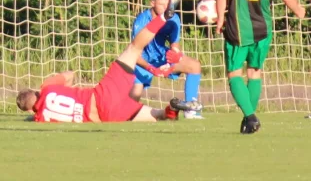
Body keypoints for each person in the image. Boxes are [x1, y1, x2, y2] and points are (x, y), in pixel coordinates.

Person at [16, 10, 200, 123]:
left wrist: (32, 116)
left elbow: (37, 116)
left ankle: (171, 110)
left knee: (157, 115)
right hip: (102, 95)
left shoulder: (42, 118)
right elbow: (70, 74)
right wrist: (68, 88)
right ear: (35, 91)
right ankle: (163, 17)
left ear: (31, 110)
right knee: (134, 48)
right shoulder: (46, 88)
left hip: (108, 117)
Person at [216, 0, 305, 134]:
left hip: (238, 29)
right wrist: (299, 10)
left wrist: (220, 19)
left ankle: (250, 115)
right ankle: (250, 119)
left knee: (234, 74)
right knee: (254, 72)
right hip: (263, 28)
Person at [130, 0, 203, 119]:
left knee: (194, 66)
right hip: (142, 61)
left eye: (167, 4)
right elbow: (134, 53)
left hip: (162, 58)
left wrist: (176, 56)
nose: (165, 8)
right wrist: (152, 69)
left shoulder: (173, 18)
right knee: (133, 99)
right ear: (152, 3)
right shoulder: (141, 21)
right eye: (161, 4)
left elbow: (174, 44)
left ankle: (190, 110)